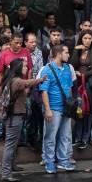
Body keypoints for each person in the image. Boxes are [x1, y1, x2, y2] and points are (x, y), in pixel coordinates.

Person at [0, 59, 44, 182]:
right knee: (10, 145)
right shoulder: (16, 81)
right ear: (18, 68)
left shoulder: (10, 80)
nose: (26, 68)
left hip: (14, 117)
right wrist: (41, 79)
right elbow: (28, 83)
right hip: (14, 117)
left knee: (13, 144)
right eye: (23, 66)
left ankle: (12, 167)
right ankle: (6, 173)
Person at [38, 44, 76, 174]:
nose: (68, 55)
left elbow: (69, 87)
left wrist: (70, 105)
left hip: (66, 108)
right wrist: (47, 109)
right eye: (66, 52)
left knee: (65, 135)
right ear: (59, 54)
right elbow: (44, 91)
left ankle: (63, 160)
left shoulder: (67, 68)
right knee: (51, 136)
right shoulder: (47, 70)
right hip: (53, 107)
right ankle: (49, 161)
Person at [72, 29, 92, 149]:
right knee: (78, 110)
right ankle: (77, 138)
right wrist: (76, 50)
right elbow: (72, 65)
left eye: (89, 38)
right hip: (77, 84)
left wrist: (84, 74)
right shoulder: (78, 50)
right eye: (85, 38)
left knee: (87, 111)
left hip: (88, 84)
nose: (87, 41)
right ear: (81, 39)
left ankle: (85, 138)